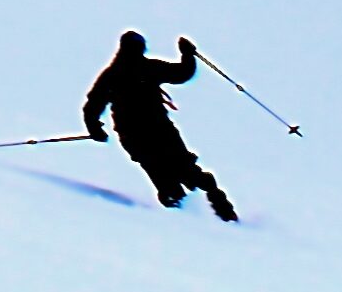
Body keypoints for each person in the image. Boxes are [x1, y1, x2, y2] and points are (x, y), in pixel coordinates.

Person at [83, 30, 237, 221]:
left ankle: (186, 217)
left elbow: (92, 105)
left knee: (161, 175)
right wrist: (187, 54)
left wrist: (96, 129)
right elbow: (182, 73)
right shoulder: (148, 67)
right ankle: (224, 214)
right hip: (161, 130)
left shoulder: (111, 75)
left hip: (133, 135)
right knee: (187, 170)